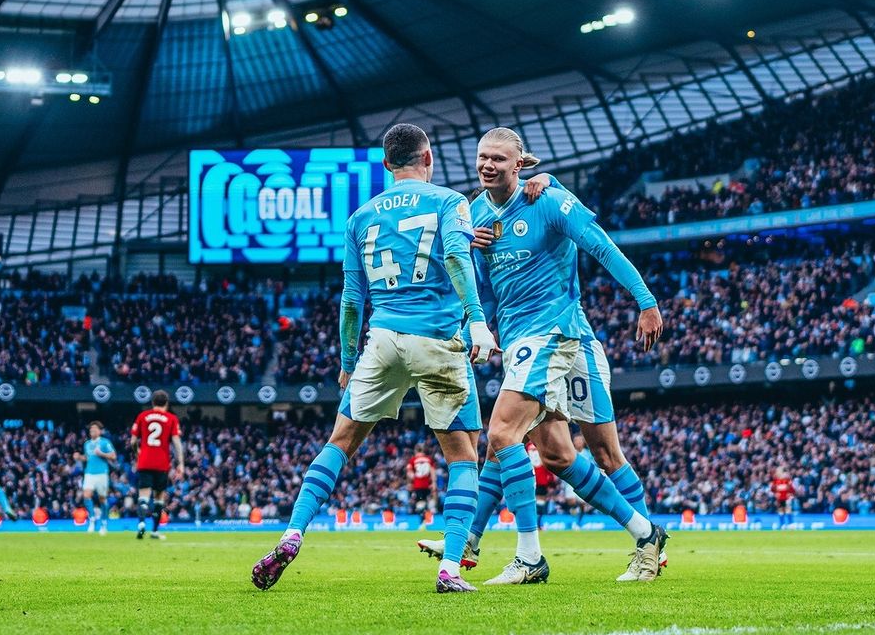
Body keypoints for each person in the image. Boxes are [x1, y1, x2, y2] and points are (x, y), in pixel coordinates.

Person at [251, 123, 498, 594]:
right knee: (463, 456)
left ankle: (292, 533)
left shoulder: (360, 217)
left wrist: (347, 361)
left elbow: (351, 300)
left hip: (381, 339)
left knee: (339, 442)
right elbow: (456, 258)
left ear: (386, 164)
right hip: (437, 339)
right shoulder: (450, 201)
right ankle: (449, 567)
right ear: (429, 158)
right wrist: (478, 319)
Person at [468, 126, 667, 584]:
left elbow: (601, 246)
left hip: (556, 334)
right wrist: (479, 326)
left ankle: (519, 554)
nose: (488, 165)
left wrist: (646, 301)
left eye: (499, 158)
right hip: (525, 340)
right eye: (483, 157)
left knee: (531, 438)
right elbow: (483, 283)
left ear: (520, 164)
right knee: (556, 454)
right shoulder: (476, 212)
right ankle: (647, 538)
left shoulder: (548, 200)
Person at [130, 391, 184, 541]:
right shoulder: (171, 418)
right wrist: (181, 463)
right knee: (159, 498)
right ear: (166, 403)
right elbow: (176, 443)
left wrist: (138, 453)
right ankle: (154, 531)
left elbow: (133, 441)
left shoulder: (142, 416)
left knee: (143, 496)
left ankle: (141, 524)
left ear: (152, 402)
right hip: (161, 463)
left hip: (145, 461)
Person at [73, 421, 117, 534]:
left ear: (99, 431)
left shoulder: (105, 442)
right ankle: (92, 520)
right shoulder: (87, 444)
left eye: (94, 429)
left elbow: (113, 456)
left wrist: (102, 454)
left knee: (103, 499)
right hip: (89, 473)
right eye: (91, 429)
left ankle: (104, 523)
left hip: (102, 473)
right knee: (86, 495)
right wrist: (79, 457)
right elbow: (88, 457)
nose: (92, 430)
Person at [407, 444, 437, 516]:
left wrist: (410, 482)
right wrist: (434, 482)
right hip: (427, 484)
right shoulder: (429, 459)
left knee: (420, 502)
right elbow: (433, 471)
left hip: (418, 484)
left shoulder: (413, 460)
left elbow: (409, 473)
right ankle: (430, 515)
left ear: (416, 451)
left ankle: (421, 517)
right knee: (429, 500)